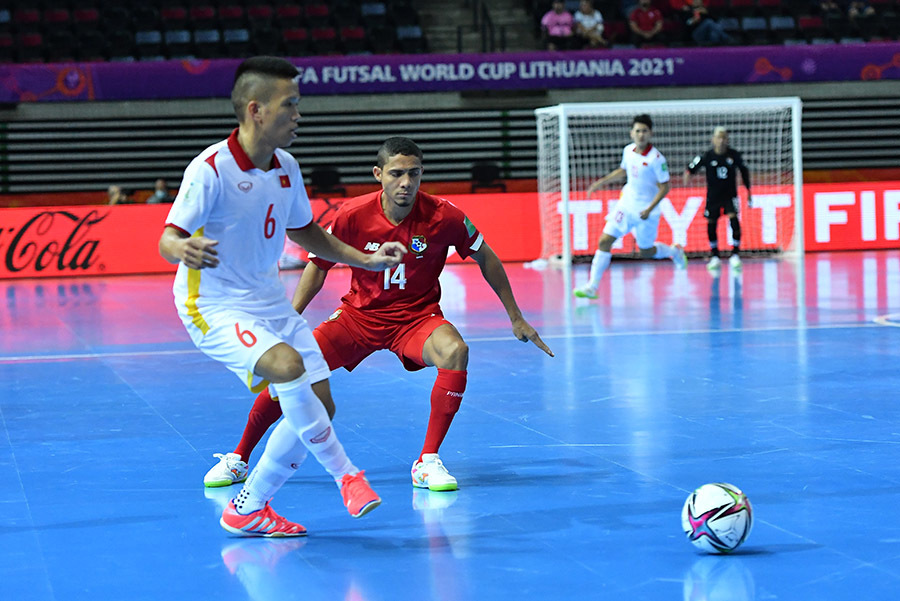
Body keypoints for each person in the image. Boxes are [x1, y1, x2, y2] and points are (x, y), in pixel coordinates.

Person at [203, 136, 554, 494]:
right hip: (358, 318)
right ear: (378, 174)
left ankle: (427, 461)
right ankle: (239, 457)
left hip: (416, 319)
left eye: (414, 174)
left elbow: (486, 256)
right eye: (397, 174)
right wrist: (287, 320)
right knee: (291, 368)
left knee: (456, 351)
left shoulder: (445, 215)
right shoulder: (352, 215)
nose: (406, 182)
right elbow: (318, 266)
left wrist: (516, 316)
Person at [158, 56, 407, 537]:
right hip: (211, 305)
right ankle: (347, 476)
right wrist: (182, 247)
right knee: (289, 368)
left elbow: (309, 234)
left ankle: (249, 506)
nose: (298, 114)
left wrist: (367, 260)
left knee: (321, 404)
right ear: (256, 110)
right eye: (289, 105)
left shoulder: (288, 168)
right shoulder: (210, 168)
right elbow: (168, 238)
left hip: (268, 301)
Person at [573, 114, 686, 300]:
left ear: (651, 133)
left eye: (645, 131)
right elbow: (624, 169)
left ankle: (675, 252)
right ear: (631, 133)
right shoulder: (628, 151)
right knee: (604, 241)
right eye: (638, 131)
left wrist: (649, 209)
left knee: (646, 251)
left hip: (647, 212)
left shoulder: (656, 159)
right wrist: (600, 182)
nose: (641, 134)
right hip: (626, 206)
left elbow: (666, 186)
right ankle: (592, 286)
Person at [682, 126, 751, 272]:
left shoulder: (734, 155)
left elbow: (744, 171)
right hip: (713, 196)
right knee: (711, 223)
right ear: (712, 140)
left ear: (727, 140)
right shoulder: (707, 156)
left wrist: (748, 190)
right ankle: (715, 256)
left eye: (724, 137)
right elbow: (691, 167)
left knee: (734, 220)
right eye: (718, 137)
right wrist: (688, 174)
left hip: (730, 195)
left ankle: (735, 254)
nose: (721, 140)